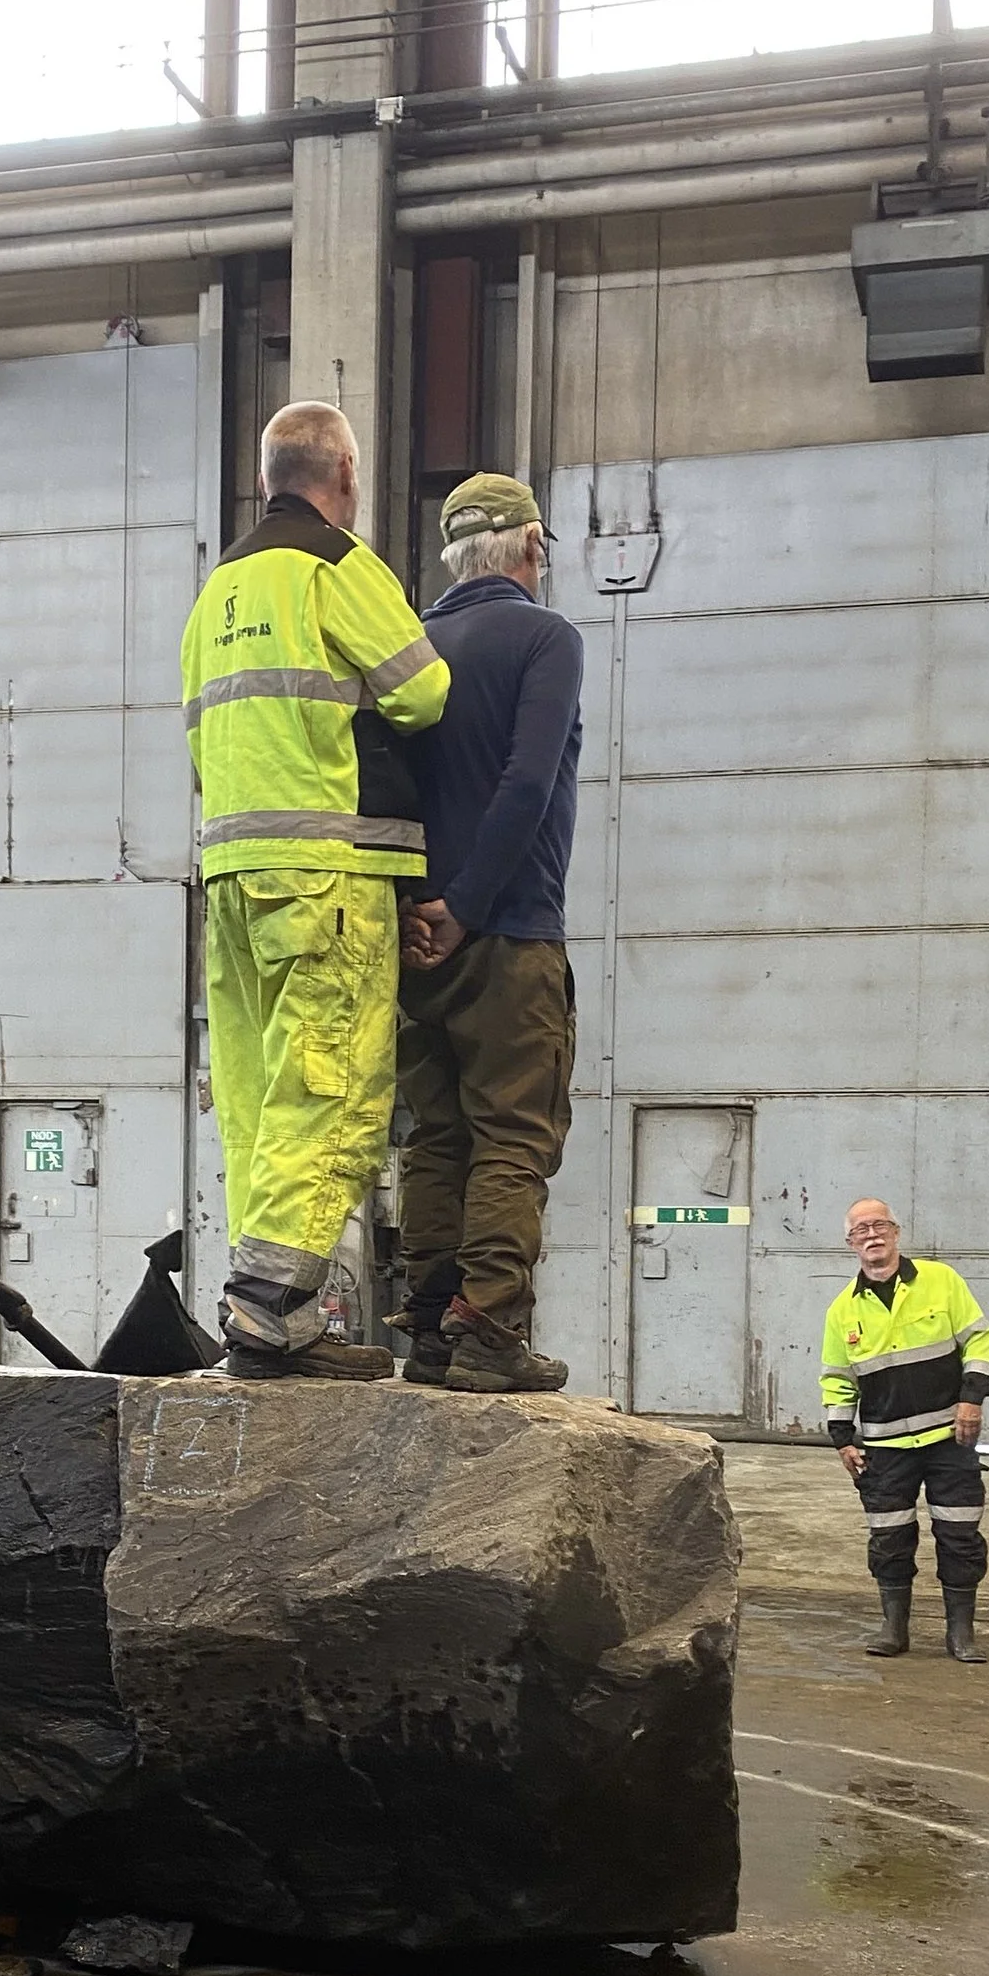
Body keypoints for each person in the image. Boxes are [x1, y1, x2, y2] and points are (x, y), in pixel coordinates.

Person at [181, 401, 450, 1379]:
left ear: (266, 477)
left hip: (231, 874)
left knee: (257, 1098)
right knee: (333, 1090)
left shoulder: (216, 594)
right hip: (327, 869)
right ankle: (267, 1305)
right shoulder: (337, 566)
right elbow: (423, 690)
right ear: (342, 470)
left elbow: (201, 736)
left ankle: (271, 1312)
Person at [392, 473, 585, 1395]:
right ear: (528, 548)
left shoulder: (412, 644)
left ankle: (428, 1328)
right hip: (506, 929)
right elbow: (527, 783)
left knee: (436, 1135)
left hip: (416, 940)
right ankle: (490, 1329)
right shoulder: (545, 638)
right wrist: (468, 905)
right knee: (515, 1133)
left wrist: (423, 913)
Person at [820, 1200, 989, 1664]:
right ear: (850, 1243)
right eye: (861, 1229)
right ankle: (894, 1628)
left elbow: (979, 1338)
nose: (872, 1235)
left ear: (896, 1233)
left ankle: (961, 1633)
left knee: (959, 1534)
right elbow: (838, 1378)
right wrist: (842, 1438)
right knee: (889, 1537)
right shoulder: (842, 1310)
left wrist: (972, 1399)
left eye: (880, 1225)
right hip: (885, 1448)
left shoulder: (942, 1282)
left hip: (949, 1440)